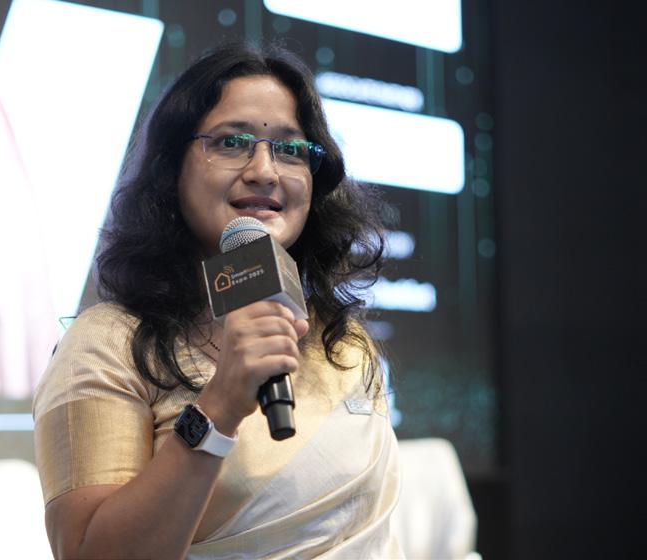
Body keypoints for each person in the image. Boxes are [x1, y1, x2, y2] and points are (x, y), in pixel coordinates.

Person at [33, 40, 403, 559]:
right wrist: (220, 405)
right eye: (232, 142)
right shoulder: (106, 344)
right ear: (171, 169)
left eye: (291, 150)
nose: (265, 171)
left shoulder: (344, 342)